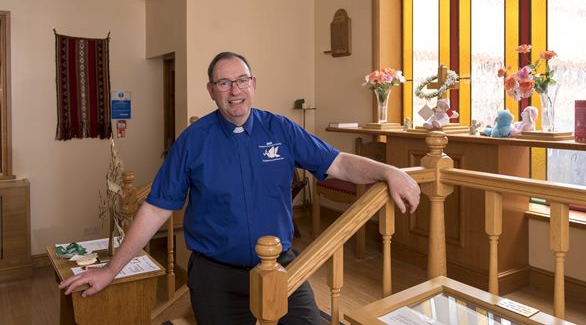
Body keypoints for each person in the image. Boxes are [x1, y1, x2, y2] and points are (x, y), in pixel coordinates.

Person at [59, 52, 421, 325]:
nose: (235, 91)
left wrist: (388, 171)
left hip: (280, 269)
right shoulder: (192, 142)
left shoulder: (281, 129)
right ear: (211, 91)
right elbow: (155, 209)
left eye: (241, 80)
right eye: (224, 83)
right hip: (216, 275)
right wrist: (111, 270)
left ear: (253, 83)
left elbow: (337, 163)